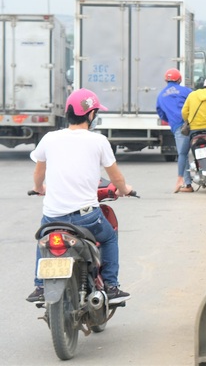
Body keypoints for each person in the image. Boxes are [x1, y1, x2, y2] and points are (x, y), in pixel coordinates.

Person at [27, 88, 133, 304]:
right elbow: (116, 177)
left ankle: (39, 286)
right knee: (109, 237)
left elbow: (39, 173)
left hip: (53, 217)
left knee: (44, 240)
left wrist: (39, 188)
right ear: (91, 114)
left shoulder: (49, 138)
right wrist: (124, 190)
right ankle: (111, 286)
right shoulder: (98, 141)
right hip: (87, 218)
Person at [156, 68, 194, 193]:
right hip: (195, 123)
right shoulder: (186, 91)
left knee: (183, 154)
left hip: (178, 127)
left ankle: (187, 184)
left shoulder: (161, 96)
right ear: (180, 79)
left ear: (165, 80)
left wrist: (173, 121)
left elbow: (162, 115)